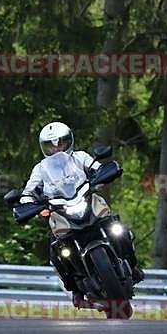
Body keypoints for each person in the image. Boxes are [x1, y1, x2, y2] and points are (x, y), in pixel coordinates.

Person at [20, 121, 143, 307]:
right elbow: (28, 192)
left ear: (68, 141)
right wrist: (29, 204)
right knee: (56, 249)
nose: (57, 148)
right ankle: (76, 289)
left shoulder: (80, 157)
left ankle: (133, 267)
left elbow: (97, 168)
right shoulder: (41, 169)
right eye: (51, 145)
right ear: (44, 147)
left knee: (119, 229)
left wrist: (103, 174)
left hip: (86, 201)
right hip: (61, 211)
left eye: (60, 143)